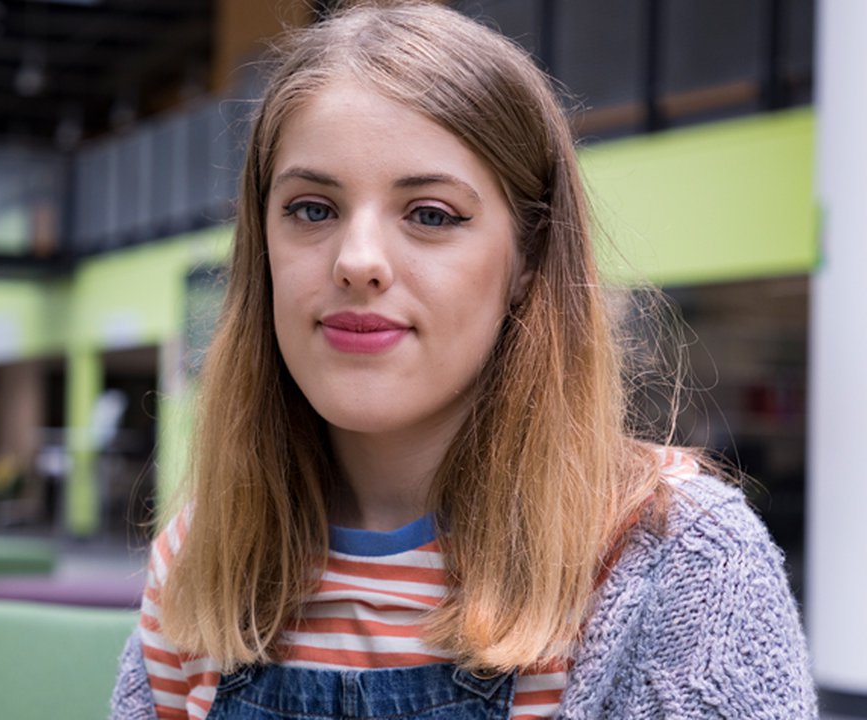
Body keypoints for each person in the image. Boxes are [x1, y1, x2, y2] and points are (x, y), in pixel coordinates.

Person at [111, 2, 815, 718]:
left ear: (528, 259)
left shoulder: (675, 560)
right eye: (313, 209)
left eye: (431, 215)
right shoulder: (201, 559)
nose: (357, 261)